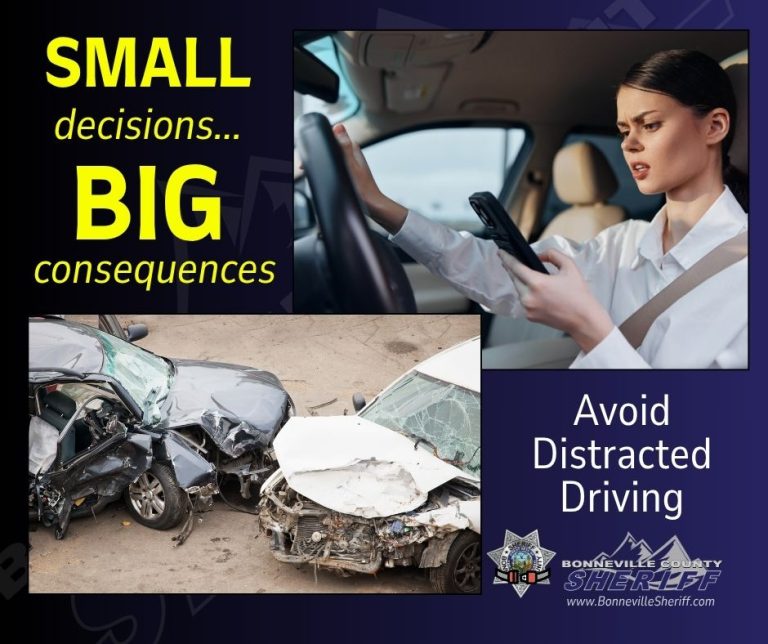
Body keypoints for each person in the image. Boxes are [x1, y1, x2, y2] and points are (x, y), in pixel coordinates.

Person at [333, 49, 748, 369]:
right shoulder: (621, 244)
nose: (629, 144)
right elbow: (494, 272)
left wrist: (588, 328)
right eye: (624, 130)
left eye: (650, 125)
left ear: (714, 127)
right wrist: (378, 203)